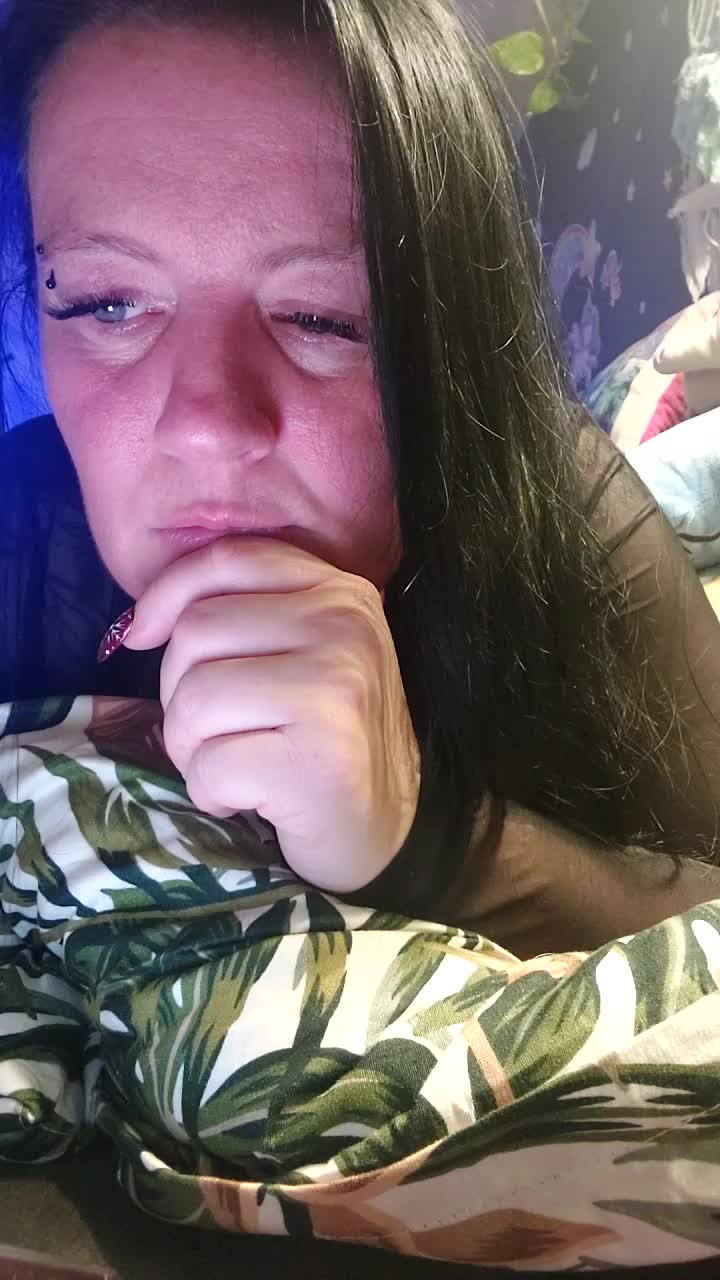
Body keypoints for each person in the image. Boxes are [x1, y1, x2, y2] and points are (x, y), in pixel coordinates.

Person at [1, 0, 720, 963]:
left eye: (323, 318)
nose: (207, 422)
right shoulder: (20, 537)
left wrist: (426, 839)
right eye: (105, 303)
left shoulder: (560, 506)